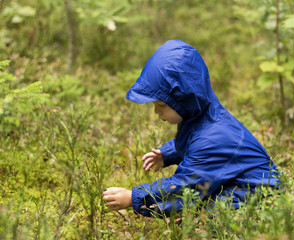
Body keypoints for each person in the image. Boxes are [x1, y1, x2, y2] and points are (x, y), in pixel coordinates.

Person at [103, 40, 280, 217]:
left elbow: (184, 185)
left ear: (184, 99)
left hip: (260, 197)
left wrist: (133, 197)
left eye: (162, 105)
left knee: (210, 213)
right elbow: (194, 140)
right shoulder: (200, 113)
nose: (156, 111)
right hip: (236, 184)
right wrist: (168, 154)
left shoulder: (214, 138)